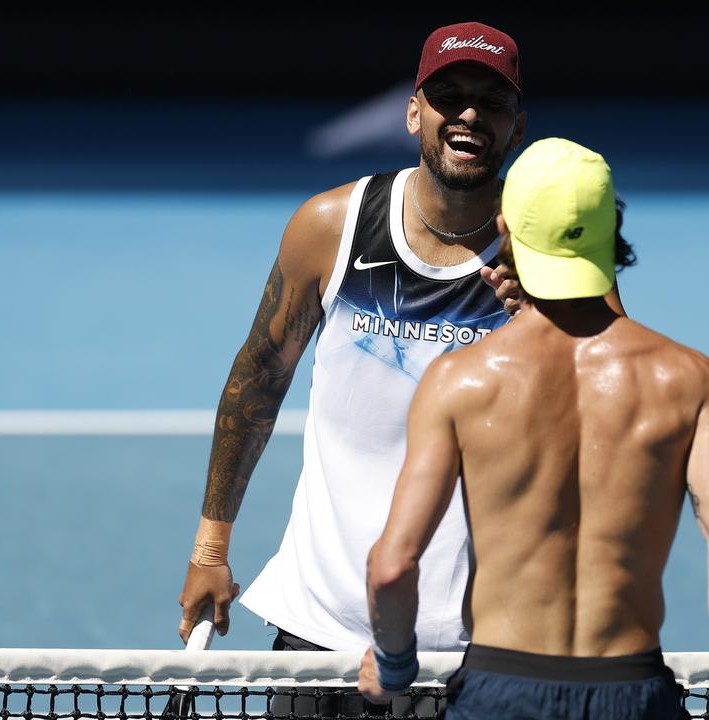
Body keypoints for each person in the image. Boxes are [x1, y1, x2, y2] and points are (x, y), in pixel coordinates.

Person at [176, 19, 531, 718]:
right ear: (413, 113)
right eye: (448, 96)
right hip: (323, 638)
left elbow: (600, 421)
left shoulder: (549, 261)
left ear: (516, 125)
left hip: (479, 649)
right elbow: (257, 383)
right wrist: (210, 547)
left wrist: (547, 320)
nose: (467, 115)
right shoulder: (331, 227)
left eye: (489, 103)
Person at [359, 138, 709, 720]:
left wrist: (395, 668)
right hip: (633, 693)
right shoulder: (689, 380)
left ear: (503, 225)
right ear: (612, 227)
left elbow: (393, 566)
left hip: (499, 689)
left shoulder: (459, 382)